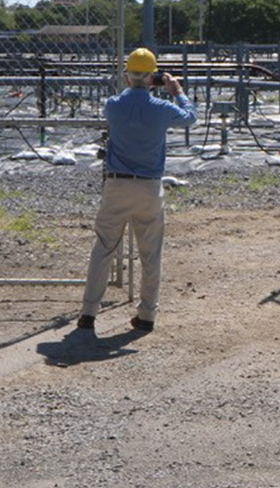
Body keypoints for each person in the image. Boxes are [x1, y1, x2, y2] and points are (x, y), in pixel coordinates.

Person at [77, 48, 197, 333]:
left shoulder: (113, 105)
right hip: (149, 187)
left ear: (127, 75)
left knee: (104, 247)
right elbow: (190, 117)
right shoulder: (163, 109)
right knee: (150, 253)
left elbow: (127, 97)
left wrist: (139, 86)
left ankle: (88, 313)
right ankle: (146, 315)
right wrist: (177, 91)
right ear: (153, 76)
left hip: (117, 184)